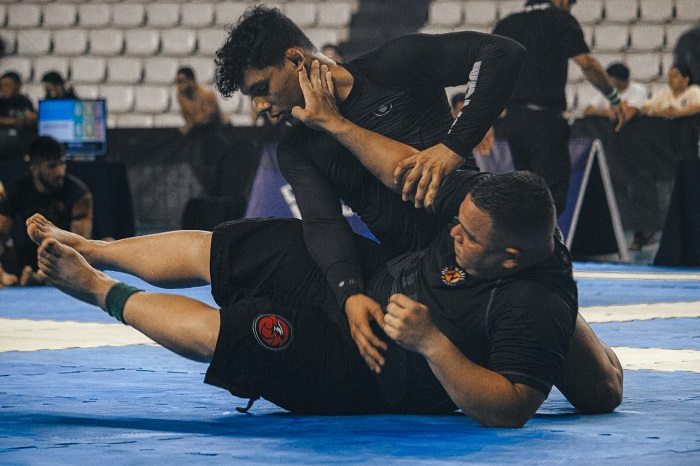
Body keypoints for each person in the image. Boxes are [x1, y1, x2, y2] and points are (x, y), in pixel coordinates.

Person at [25, 164, 621, 426]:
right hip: (367, 278)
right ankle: (96, 245)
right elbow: (395, 165)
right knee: (220, 247)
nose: (455, 233)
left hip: (368, 366)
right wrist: (336, 124)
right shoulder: (492, 203)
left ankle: (96, 287)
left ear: (511, 259)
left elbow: (511, 408)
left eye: (467, 237)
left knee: (227, 334)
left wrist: (433, 344)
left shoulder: (533, 305)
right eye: (457, 224)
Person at [215, 6, 527, 368]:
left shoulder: (394, 65)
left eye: (262, 88)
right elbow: (324, 224)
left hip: (478, 240)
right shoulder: (296, 149)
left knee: (600, 380)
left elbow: (504, 52)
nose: (260, 106)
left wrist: (453, 148)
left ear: (295, 59)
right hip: (421, 270)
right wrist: (349, 293)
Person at [492, 0, 627, 215]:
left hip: (513, 121)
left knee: (524, 195)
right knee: (550, 200)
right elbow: (587, 63)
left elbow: (492, 75)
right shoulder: (560, 19)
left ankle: (525, 246)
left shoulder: (506, 24)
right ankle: (547, 248)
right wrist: (613, 96)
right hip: (544, 121)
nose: (569, 6)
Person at [0, 135, 93, 286]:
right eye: (52, 166)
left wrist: (47, 274)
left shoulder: (79, 194)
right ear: (34, 168)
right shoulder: (15, 191)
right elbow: (1, 236)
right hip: (26, 261)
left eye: (62, 164)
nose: (60, 171)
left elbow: (80, 248)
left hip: (64, 259)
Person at [175, 66, 228, 135]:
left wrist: (193, 124)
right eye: (177, 82)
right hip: (199, 130)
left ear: (191, 81)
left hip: (217, 129)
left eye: (181, 81)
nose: (178, 85)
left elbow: (211, 117)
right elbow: (187, 116)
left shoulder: (207, 95)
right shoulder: (181, 97)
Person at [0, 71, 37, 160]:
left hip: (22, 141)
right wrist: (15, 121)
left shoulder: (24, 101)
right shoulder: (1, 102)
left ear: (17, 86)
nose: (4, 89)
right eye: (2, 86)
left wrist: (32, 118)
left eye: (7, 85)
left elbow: (31, 117)